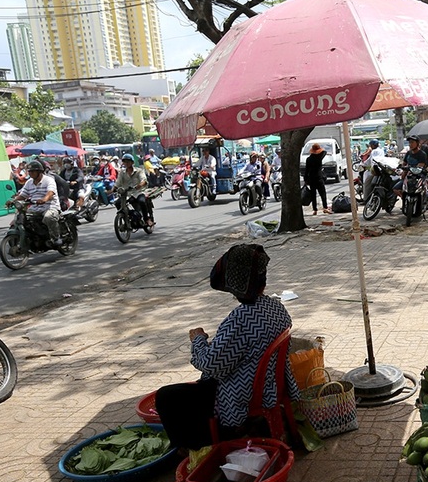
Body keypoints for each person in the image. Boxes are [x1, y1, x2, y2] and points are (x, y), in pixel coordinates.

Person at [154, 244, 299, 452]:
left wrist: (198, 339)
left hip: (243, 392)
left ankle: (195, 449)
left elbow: (210, 366)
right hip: (270, 384)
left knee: (167, 397)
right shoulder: (277, 307)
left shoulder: (240, 319)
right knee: (190, 390)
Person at [10, 159, 61, 247]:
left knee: (48, 217)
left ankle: (56, 237)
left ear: (39, 172)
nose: (30, 173)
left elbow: (51, 192)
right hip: (34, 208)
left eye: (33, 171)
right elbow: (23, 195)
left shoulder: (48, 180)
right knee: (21, 218)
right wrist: (13, 200)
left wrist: (44, 199)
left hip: (50, 206)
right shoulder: (29, 182)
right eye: (29, 171)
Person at [116, 153, 155, 226]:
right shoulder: (122, 172)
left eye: (128, 161)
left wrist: (139, 185)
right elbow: (118, 182)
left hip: (139, 192)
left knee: (141, 201)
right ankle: (127, 217)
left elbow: (143, 180)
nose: (126, 163)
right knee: (118, 203)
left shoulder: (139, 171)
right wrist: (113, 189)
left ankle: (146, 219)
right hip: (127, 193)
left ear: (132, 162)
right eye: (125, 162)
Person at [303, 143, 330, 215]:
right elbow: (325, 152)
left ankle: (315, 210)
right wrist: (320, 151)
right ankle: (325, 208)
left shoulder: (308, 159)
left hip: (311, 179)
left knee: (313, 195)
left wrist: (305, 179)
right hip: (319, 178)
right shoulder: (319, 157)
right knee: (323, 193)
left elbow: (306, 170)